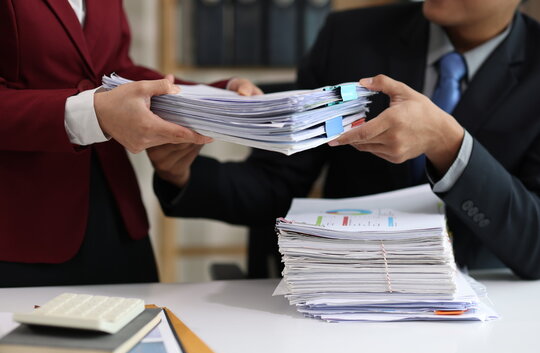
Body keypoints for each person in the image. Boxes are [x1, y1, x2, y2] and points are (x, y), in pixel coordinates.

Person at [150, 0, 540, 279]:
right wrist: (182, 177)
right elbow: (276, 183)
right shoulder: (351, 36)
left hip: (487, 298)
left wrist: (448, 143)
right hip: (347, 283)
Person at [0, 0, 260, 287]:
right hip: (19, 231)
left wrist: (214, 96)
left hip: (117, 218)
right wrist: (94, 113)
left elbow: (113, 70)